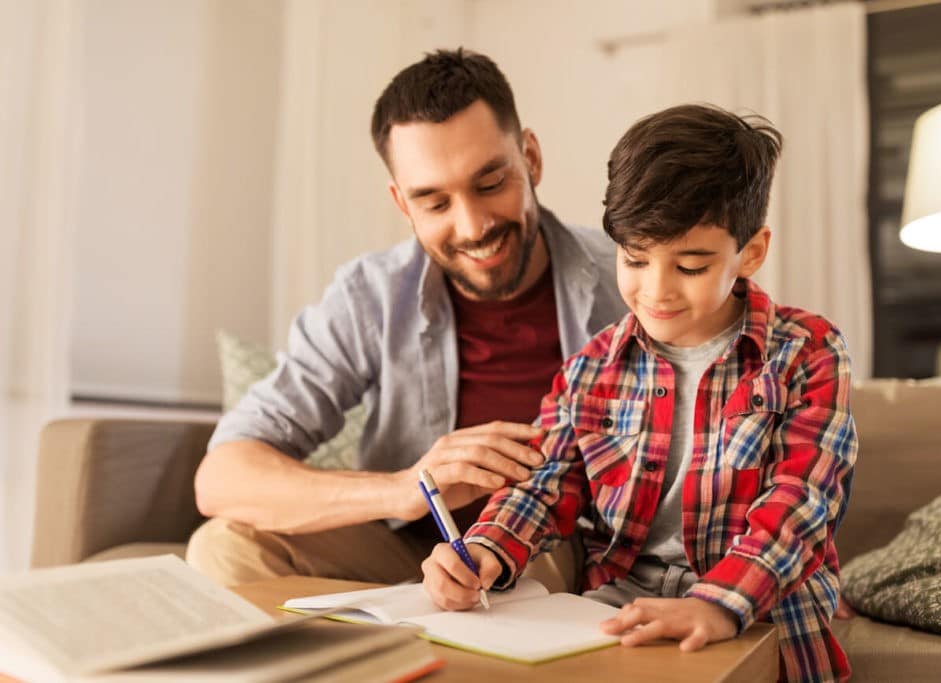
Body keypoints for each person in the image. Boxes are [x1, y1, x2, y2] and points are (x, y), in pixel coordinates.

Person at [421, 104, 858, 682]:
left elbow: (801, 502)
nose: (656, 291)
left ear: (750, 253)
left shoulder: (808, 351)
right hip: (618, 609)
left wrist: (718, 603)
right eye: (635, 258)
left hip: (762, 609)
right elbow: (545, 487)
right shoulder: (590, 368)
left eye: (691, 266)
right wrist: (485, 550)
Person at [185, 49, 626, 588]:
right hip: (409, 553)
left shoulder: (633, 279)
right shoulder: (369, 297)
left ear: (530, 158)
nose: (472, 226)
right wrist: (409, 489)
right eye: (435, 203)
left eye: (490, 184)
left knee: (542, 564)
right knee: (226, 547)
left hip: (552, 549)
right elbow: (223, 478)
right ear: (402, 203)